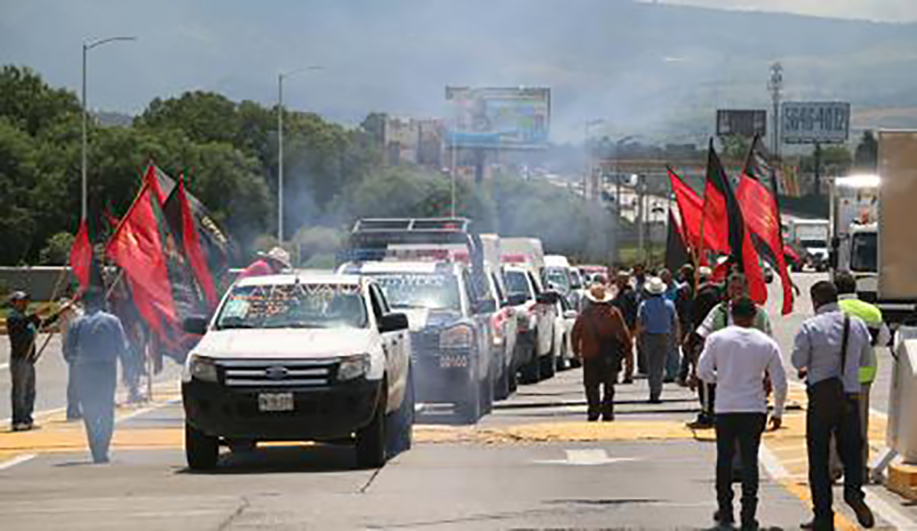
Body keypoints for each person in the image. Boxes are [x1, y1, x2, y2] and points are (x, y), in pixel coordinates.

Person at [698, 297, 788, 530]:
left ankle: (725, 512)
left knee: (724, 459)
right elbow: (780, 380)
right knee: (750, 461)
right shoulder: (766, 342)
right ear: (754, 316)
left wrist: (721, 380)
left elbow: (702, 371)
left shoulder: (717, 339)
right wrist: (778, 411)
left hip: (725, 408)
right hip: (753, 409)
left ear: (731, 314)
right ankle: (749, 515)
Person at [792, 280, 875, 530]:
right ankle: (854, 494)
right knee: (851, 453)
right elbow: (865, 360)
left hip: (821, 400)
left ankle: (823, 517)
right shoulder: (856, 324)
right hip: (850, 398)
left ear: (815, 300)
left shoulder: (810, 326)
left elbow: (798, 360)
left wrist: (813, 366)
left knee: (818, 459)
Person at [829, 271, 889, 483]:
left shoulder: (831, 311)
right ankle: (860, 468)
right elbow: (883, 340)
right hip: (864, 375)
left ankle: (834, 467)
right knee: (859, 424)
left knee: (835, 423)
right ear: (855, 288)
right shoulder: (871, 312)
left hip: (836, 375)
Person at [691, 272, 771, 429]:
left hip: (751, 365)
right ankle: (708, 412)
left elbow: (769, 342)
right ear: (727, 290)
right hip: (723, 365)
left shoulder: (759, 313)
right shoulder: (718, 311)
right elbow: (702, 334)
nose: (736, 292)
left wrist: (768, 374)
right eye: (732, 289)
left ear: (747, 289)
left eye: (739, 289)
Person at [64, 286, 130, 464]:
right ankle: (103, 449)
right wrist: (127, 371)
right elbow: (123, 348)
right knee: (106, 409)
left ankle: (95, 449)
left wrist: (76, 365)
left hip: (85, 371)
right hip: (107, 369)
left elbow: (68, 351)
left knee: (90, 411)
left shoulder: (76, 323)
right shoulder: (112, 320)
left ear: (84, 303)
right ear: (100, 301)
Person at [572, 284, 632, 421]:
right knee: (609, 385)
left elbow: (575, 334)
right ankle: (607, 412)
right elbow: (624, 333)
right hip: (609, 355)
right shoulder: (613, 312)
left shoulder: (585, 314)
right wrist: (626, 350)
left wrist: (576, 351)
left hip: (590, 353)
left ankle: (593, 411)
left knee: (591, 385)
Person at [6, 291, 59, 431]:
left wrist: (59, 314)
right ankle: (18, 420)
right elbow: (22, 324)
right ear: (13, 303)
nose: (24, 303)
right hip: (19, 359)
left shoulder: (27, 317)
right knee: (19, 392)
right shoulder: (13, 318)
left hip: (29, 359)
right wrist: (38, 312)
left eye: (25, 301)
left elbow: (42, 323)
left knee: (30, 391)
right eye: (21, 301)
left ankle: (27, 418)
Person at [637, 277, 678, 403]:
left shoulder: (644, 304)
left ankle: (653, 391)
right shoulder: (669, 304)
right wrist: (676, 337)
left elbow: (639, 322)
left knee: (651, 365)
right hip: (665, 336)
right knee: (660, 365)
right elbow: (675, 321)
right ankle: (657, 391)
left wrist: (638, 338)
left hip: (649, 336)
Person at [58, 296, 84, 420]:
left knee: (81, 380)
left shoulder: (77, 309)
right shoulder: (66, 309)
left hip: (80, 348)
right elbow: (77, 318)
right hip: (71, 348)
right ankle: (73, 409)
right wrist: (72, 303)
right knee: (75, 380)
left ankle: (77, 408)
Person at [611, 272, 639, 384]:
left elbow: (626, 312)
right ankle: (627, 374)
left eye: (618, 280)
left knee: (621, 351)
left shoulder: (626, 294)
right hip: (626, 326)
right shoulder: (628, 293)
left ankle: (624, 375)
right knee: (626, 351)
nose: (616, 282)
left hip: (624, 327)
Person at [675, 264, 697, 386]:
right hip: (693, 321)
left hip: (685, 322)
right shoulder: (696, 286)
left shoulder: (682, 289)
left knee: (687, 349)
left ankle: (683, 375)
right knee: (691, 349)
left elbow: (677, 308)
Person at [659, 269, 682, 382]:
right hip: (663, 320)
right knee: (666, 349)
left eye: (665, 279)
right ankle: (669, 371)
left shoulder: (678, 289)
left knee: (673, 348)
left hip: (673, 319)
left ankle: (675, 372)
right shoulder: (661, 290)